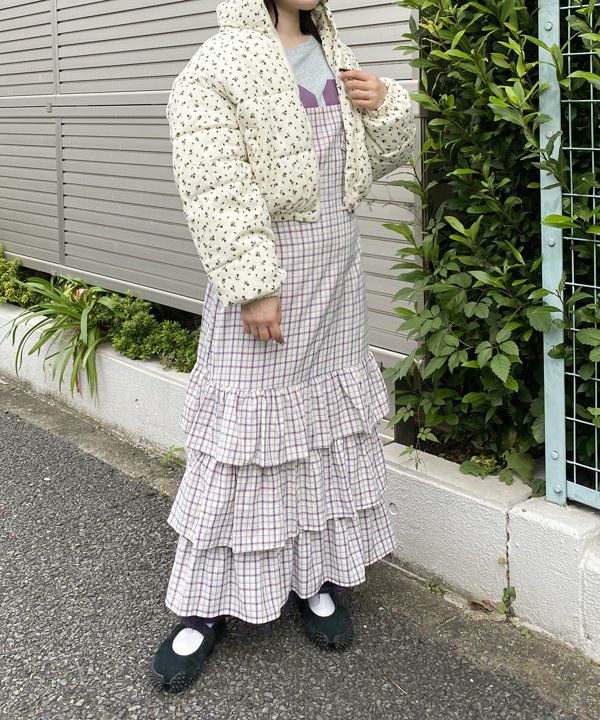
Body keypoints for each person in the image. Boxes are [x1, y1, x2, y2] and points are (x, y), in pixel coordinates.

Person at [149, 0, 415, 693]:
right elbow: (214, 183)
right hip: (268, 273)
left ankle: (315, 577)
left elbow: (373, 160)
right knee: (244, 440)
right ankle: (203, 607)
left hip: (336, 271)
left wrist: (386, 104)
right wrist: (251, 283)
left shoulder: (332, 47)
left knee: (318, 432)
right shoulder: (221, 60)